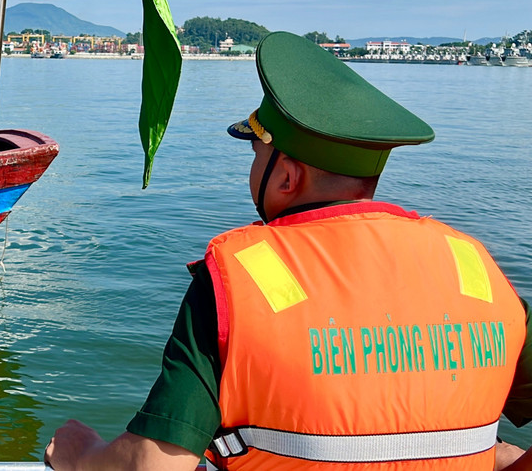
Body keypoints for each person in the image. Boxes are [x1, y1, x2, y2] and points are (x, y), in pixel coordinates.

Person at [45, 31, 532, 470]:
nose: (254, 168)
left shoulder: (238, 278)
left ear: (286, 175)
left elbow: (152, 467)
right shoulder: (475, 264)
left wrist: (80, 455)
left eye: (257, 152)